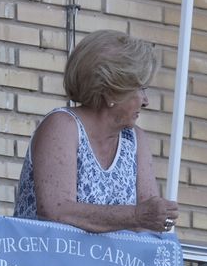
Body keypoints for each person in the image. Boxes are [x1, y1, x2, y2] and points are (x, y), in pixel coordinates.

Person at [14, 29, 180, 233]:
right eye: (140, 89)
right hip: (46, 262)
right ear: (110, 91)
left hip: (111, 264)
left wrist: (158, 217)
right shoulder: (63, 125)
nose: (146, 101)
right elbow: (56, 211)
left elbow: (148, 224)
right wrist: (136, 216)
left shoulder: (135, 139)